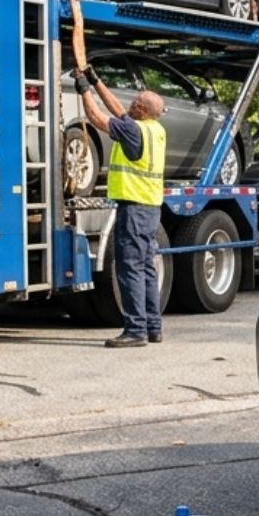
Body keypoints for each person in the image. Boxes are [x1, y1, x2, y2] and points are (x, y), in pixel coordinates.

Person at [73, 65, 166, 348]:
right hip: (150, 209)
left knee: (130, 269)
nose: (130, 104)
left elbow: (97, 117)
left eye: (136, 103)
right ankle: (152, 327)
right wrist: (94, 78)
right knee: (146, 268)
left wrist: (84, 89)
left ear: (142, 109)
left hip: (135, 208)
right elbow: (117, 111)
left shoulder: (133, 130)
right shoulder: (154, 128)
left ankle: (135, 330)